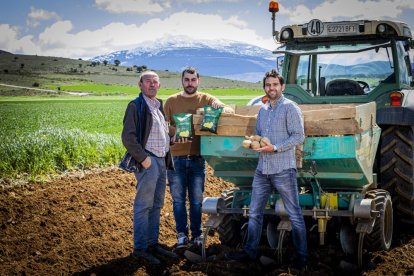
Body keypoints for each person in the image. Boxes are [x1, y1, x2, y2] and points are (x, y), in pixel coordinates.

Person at [225, 69, 308, 269]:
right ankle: (249, 253)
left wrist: (276, 147)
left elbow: (299, 136)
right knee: (254, 213)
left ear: (282, 87)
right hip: (262, 169)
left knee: (295, 214)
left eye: (275, 84)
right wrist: (254, 141)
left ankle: (302, 259)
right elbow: (260, 135)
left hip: (283, 169)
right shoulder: (262, 110)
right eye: (268, 85)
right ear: (265, 87)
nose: (271, 88)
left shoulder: (290, 108)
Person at [164, 67, 234, 249]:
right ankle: (181, 236)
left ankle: (196, 235)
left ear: (198, 81)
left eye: (193, 80)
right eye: (186, 80)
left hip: (197, 158)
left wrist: (219, 106)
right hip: (176, 158)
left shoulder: (205, 99)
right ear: (182, 81)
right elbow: (162, 126)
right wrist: (176, 131)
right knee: (178, 200)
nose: (190, 83)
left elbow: (225, 107)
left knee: (196, 200)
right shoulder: (171, 101)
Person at [121, 71, 178, 265]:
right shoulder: (136, 106)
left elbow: (160, 132)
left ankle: (153, 244)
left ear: (159, 85)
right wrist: (144, 159)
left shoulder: (157, 106)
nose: (152, 85)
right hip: (149, 161)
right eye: (148, 82)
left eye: (155, 82)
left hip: (162, 161)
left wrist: (174, 136)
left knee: (156, 205)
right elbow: (128, 137)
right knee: (143, 205)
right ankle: (140, 249)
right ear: (140, 85)